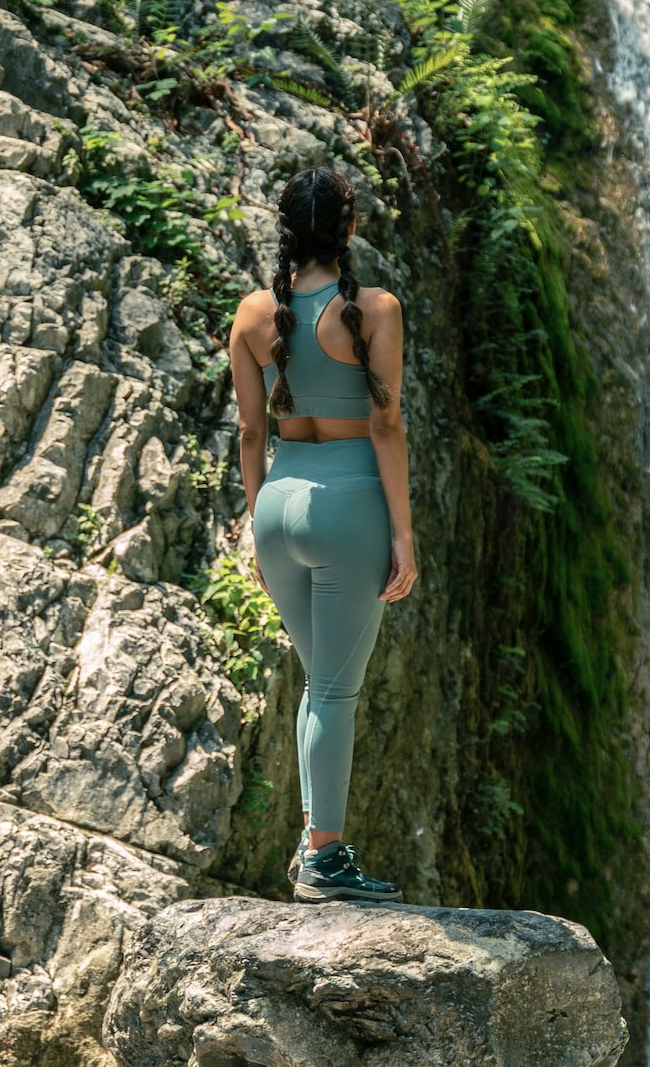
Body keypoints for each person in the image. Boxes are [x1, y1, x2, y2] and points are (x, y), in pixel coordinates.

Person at [229, 164, 417, 903]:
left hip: (277, 502)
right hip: (349, 505)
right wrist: (402, 533)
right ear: (350, 228)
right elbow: (386, 424)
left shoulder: (251, 314)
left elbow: (249, 431)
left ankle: (313, 846)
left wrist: (255, 525)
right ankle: (326, 858)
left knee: (321, 684)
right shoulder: (373, 309)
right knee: (336, 692)